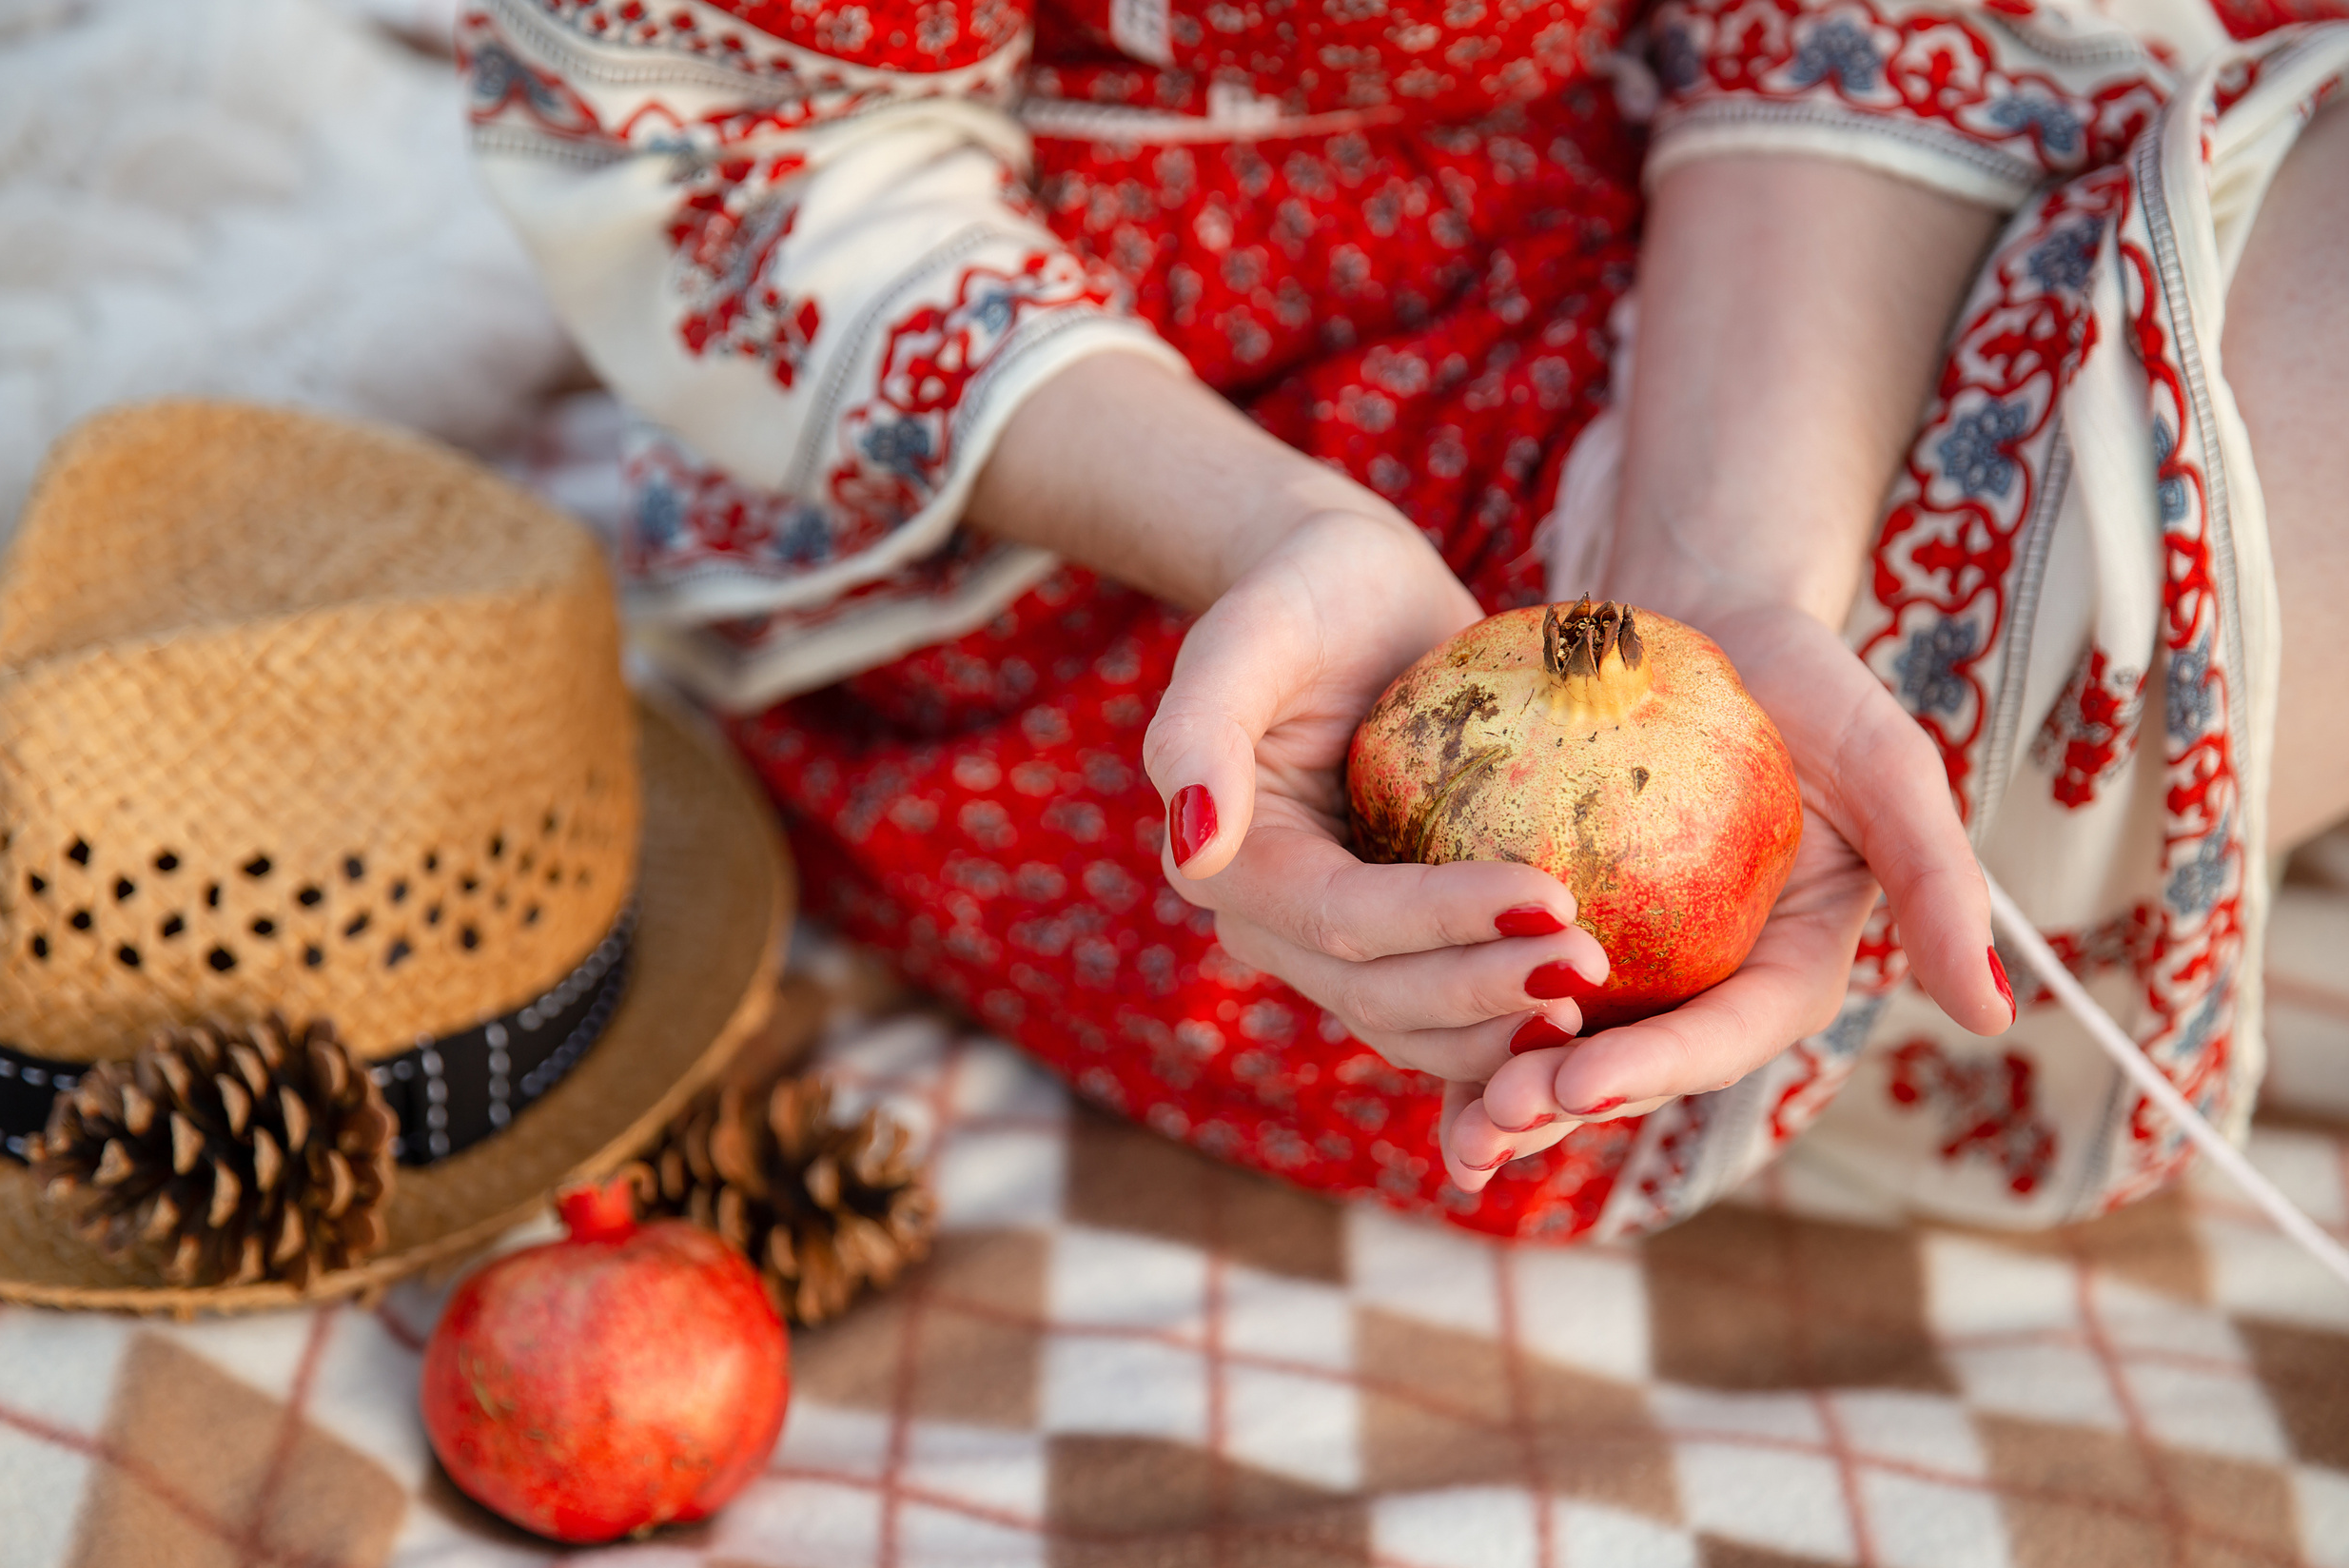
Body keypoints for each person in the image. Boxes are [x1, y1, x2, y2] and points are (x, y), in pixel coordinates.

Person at [460, 0, 2349, 1240]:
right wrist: (1268, 525)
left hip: (1772, 306)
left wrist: (1722, 562)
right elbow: (736, 133)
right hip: (1150, 451)